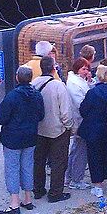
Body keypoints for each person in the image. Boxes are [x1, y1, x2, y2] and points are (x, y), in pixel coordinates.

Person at [0, 65, 44, 214]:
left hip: (13, 137)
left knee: (12, 168)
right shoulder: (37, 94)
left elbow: (1, 118)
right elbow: (41, 116)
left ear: (17, 77)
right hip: (30, 136)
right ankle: (28, 199)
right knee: (27, 166)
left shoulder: (12, 96)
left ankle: (14, 203)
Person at [32, 56, 73, 203]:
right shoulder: (58, 85)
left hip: (38, 129)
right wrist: (68, 126)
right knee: (58, 162)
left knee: (39, 160)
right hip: (57, 129)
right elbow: (66, 111)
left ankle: (38, 189)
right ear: (53, 68)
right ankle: (55, 192)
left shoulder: (34, 84)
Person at [78, 65, 107, 198]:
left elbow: (83, 110)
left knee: (94, 157)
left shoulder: (92, 92)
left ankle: (98, 187)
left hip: (94, 129)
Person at [65, 58, 93, 190]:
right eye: (83, 69)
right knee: (80, 151)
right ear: (77, 69)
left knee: (75, 150)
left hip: (80, 121)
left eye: (87, 68)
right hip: (81, 122)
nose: (86, 71)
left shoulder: (77, 81)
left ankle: (69, 176)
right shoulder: (75, 84)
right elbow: (81, 104)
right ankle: (76, 179)